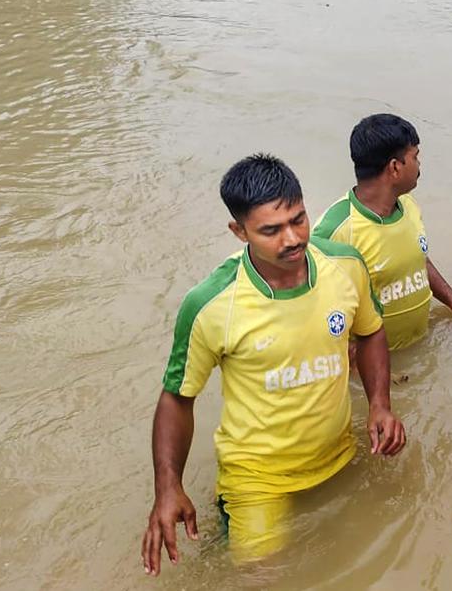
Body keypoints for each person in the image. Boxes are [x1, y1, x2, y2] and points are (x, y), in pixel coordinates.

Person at [141, 154, 406, 575]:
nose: (292, 239)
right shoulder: (211, 304)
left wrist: (380, 404)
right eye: (271, 230)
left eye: (298, 220)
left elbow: (371, 331)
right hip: (257, 477)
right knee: (261, 575)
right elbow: (177, 398)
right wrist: (167, 486)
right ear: (238, 231)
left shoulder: (345, 266)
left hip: (339, 455)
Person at [313, 113, 452, 351]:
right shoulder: (335, 230)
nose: (419, 164)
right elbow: (309, 305)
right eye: (415, 157)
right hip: (376, 368)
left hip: (419, 352)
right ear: (395, 167)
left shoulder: (409, 206)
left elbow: (418, 260)